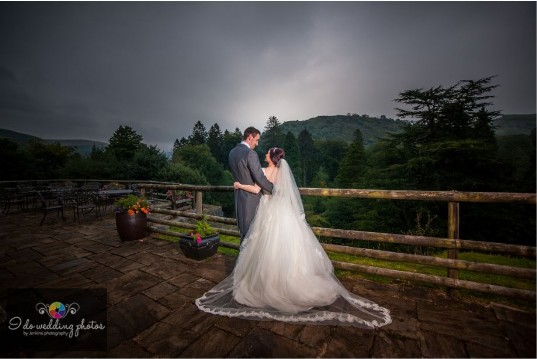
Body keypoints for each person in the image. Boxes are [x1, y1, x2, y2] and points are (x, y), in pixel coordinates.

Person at [196, 147, 392, 328]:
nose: (264, 155)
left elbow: (257, 190)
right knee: (286, 248)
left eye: (267, 154)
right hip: (283, 212)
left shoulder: (266, 171)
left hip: (268, 212)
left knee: (267, 247)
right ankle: (286, 280)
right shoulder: (281, 173)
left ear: (271, 159)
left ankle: (267, 285)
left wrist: (239, 184)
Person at [228, 127, 273, 244]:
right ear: (250, 137)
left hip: (239, 198)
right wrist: (275, 189)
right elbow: (259, 177)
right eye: (256, 140)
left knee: (244, 235)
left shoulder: (232, 152)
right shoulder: (250, 153)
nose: (257, 144)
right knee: (251, 237)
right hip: (251, 201)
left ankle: (242, 261)